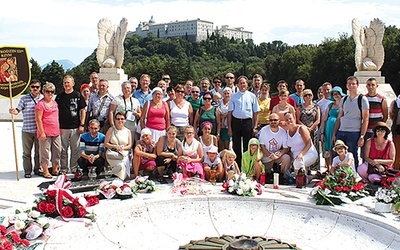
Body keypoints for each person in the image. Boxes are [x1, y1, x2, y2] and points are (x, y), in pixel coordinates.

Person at [333, 76, 369, 169]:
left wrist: (362, 136)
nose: (351, 86)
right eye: (349, 84)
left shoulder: (362, 99)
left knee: (352, 155)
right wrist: (334, 133)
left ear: (357, 85)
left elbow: (365, 119)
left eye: (353, 84)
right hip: (341, 130)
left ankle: (353, 174)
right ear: (346, 86)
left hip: (354, 131)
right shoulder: (344, 99)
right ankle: (338, 174)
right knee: (338, 154)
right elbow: (339, 117)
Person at [9, 79, 43, 178]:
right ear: (30, 88)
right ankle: (27, 171)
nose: (35, 89)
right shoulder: (24, 98)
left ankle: (37, 169)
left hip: (39, 130)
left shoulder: (43, 98)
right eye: (33, 87)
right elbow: (17, 110)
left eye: (37, 87)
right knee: (26, 153)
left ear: (40, 88)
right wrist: (13, 111)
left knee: (39, 152)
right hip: (27, 130)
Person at [55, 75, 87, 174]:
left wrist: (82, 124)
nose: (66, 84)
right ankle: (64, 168)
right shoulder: (59, 96)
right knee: (63, 149)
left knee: (75, 149)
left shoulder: (78, 95)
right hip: (63, 127)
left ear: (73, 83)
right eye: (65, 82)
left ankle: (74, 167)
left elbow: (83, 111)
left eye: (68, 82)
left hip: (75, 127)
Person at [228, 76, 260, 169]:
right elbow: (230, 112)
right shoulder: (234, 96)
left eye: (244, 83)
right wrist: (229, 127)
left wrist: (255, 126)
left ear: (247, 84)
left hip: (247, 122)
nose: (242, 85)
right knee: (236, 145)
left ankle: (247, 167)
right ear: (237, 85)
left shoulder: (252, 96)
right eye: (240, 83)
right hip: (236, 122)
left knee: (247, 146)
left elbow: (256, 112)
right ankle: (238, 167)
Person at [35, 82, 61, 179]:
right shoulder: (40, 104)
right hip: (45, 132)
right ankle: (45, 171)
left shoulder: (54, 103)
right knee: (45, 152)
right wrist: (42, 132)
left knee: (57, 151)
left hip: (56, 131)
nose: (50, 94)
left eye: (52, 92)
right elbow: (38, 119)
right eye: (47, 91)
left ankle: (54, 169)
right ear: (43, 92)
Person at [259, 113, 291, 182]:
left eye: (275, 120)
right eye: (271, 120)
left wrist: (279, 154)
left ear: (279, 121)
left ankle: (283, 176)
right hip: (266, 155)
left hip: (277, 155)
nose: (273, 122)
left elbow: (285, 148)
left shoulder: (283, 132)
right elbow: (262, 146)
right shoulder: (264, 130)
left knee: (286, 157)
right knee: (266, 172)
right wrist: (270, 155)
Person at [320, 86, 345, 171]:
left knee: (338, 147)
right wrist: (322, 132)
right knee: (328, 148)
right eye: (334, 94)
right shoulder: (330, 105)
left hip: (339, 128)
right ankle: (329, 168)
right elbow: (324, 119)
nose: (336, 95)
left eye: (337, 93)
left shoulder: (344, 104)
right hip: (328, 128)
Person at [363, 77, 388, 159]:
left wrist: (380, 127)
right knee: (365, 152)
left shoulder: (382, 99)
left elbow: (385, 115)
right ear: (366, 86)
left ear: (377, 86)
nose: (371, 87)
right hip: (366, 130)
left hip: (377, 132)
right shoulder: (363, 98)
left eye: (373, 85)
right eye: (369, 85)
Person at [296, 89, 321, 171]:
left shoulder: (316, 107)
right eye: (306, 95)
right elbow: (297, 119)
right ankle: (304, 167)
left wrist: (311, 128)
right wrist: (305, 128)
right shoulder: (299, 107)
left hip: (313, 130)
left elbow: (318, 120)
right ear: (303, 97)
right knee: (304, 147)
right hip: (303, 130)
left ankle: (315, 169)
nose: (308, 97)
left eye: (309, 95)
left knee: (314, 148)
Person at [104, 112, 132, 180]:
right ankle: (119, 182)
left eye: (122, 119)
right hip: (113, 154)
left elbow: (130, 145)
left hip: (124, 154)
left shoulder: (128, 131)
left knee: (123, 167)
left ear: (125, 120)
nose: (120, 121)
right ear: (115, 120)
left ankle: (118, 181)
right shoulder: (111, 129)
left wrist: (122, 148)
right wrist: (115, 147)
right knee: (121, 166)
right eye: (118, 119)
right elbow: (106, 143)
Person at [389, 87, 400, 170]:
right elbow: (391, 115)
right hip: (397, 129)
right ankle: (396, 168)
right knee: (397, 149)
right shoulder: (395, 102)